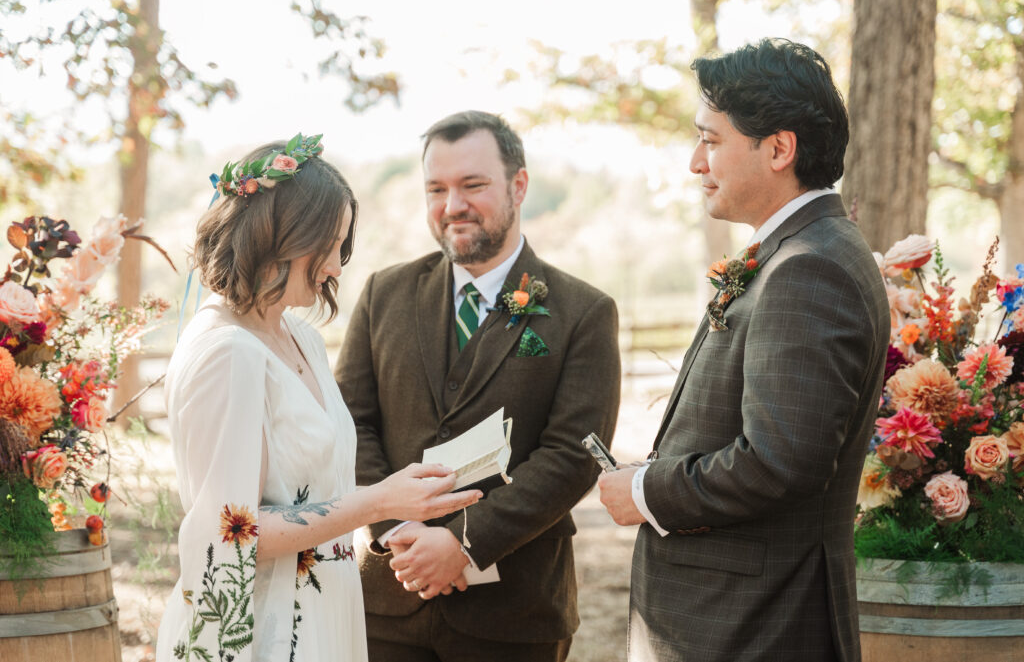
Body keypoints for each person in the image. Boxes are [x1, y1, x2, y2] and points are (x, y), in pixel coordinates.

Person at [597, 39, 890, 661]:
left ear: (779, 149)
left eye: (711, 139)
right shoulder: (800, 252)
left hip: (754, 627)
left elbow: (779, 462)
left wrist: (647, 490)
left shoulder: (809, 269)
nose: (694, 161)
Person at [156, 135, 482, 662]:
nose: (335, 266)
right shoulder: (229, 351)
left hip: (324, 606)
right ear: (280, 236)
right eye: (327, 245)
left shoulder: (299, 336)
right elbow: (234, 534)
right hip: (267, 625)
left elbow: (316, 485)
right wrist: (380, 501)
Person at [335, 111, 621, 661]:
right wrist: (402, 532)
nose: (452, 206)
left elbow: (571, 457)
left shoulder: (583, 311)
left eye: (473, 185)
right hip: (387, 600)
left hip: (516, 615)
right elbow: (351, 423)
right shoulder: (383, 293)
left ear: (518, 185)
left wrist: (464, 543)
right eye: (436, 189)